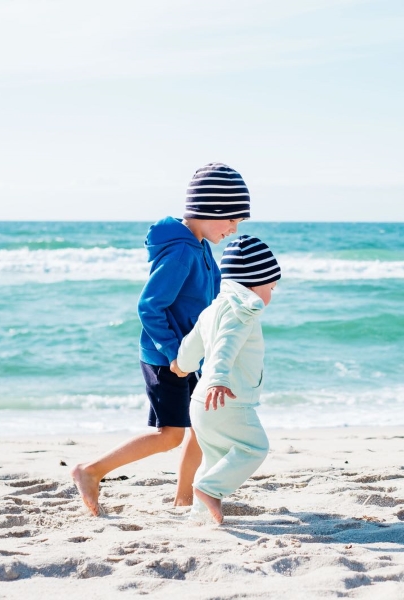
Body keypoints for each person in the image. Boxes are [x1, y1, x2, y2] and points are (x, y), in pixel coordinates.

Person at [72, 163, 250, 517]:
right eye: (230, 220)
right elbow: (150, 306)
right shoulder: (182, 251)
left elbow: (206, 297)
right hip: (166, 357)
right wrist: (173, 354)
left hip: (190, 354)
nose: (233, 229)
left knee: (202, 425)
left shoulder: (200, 246)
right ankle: (90, 472)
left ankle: (184, 499)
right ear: (208, 210)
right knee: (170, 435)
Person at [172, 235, 281, 524]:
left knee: (215, 458)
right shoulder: (242, 312)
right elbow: (225, 345)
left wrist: (182, 366)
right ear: (254, 285)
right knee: (254, 447)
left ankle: (201, 512)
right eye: (271, 286)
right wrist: (219, 378)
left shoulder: (211, 311)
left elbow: (190, 345)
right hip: (227, 400)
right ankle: (209, 490)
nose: (272, 293)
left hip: (201, 403)